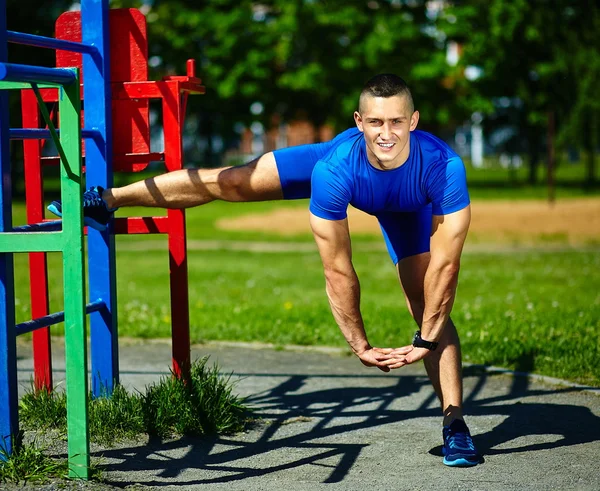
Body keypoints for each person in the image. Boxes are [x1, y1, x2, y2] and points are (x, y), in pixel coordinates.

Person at [48, 74, 480, 467]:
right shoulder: (335, 167)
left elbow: (446, 265)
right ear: (359, 121)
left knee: (426, 301)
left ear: (414, 121)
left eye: (397, 122)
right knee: (232, 180)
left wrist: (425, 337)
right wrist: (359, 344)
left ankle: (455, 424)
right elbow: (337, 269)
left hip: (412, 209)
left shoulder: (443, 167)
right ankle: (108, 199)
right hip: (348, 176)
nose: (386, 134)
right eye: (375, 122)